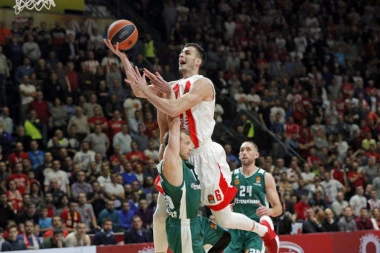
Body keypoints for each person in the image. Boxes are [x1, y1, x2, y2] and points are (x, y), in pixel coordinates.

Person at [105, 40, 279, 253]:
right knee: (160, 215)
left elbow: (174, 106)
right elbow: (138, 90)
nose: (181, 54)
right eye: (180, 51)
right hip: (180, 158)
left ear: (198, 61)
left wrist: (153, 92)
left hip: (204, 155)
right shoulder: (172, 86)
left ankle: (263, 232)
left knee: (224, 217)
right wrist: (123, 56)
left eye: (187, 52)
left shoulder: (203, 83)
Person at [154, 114, 230, 252]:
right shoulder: (173, 164)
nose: (192, 146)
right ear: (175, 144)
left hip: (196, 221)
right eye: (187, 143)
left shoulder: (186, 165)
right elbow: (172, 123)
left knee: (224, 238)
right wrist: (170, 97)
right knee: (158, 216)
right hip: (183, 227)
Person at [225, 141, 282, 252]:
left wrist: (269, 211)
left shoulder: (265, 176)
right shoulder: (230, 176)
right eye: (242, 150)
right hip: (235, 230)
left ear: (256, 155)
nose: (244, 152)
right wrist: (226, 207)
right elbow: (223, 202)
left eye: (248, 149)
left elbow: (278, 209)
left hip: (256, 230)